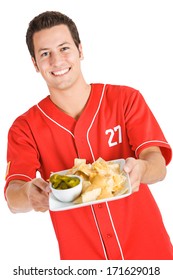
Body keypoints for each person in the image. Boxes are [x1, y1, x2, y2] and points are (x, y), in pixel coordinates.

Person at [4, 11, 173, 260]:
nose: (56, 60)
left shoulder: (125, 100)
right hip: (83, 264)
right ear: (35, 64)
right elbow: (13, 196)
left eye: (64, 48)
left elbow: (157, 164)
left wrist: (142, 169)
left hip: (151, 254)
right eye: (45, 54)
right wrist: (29, 194)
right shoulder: (24, 127)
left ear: (80, 50)